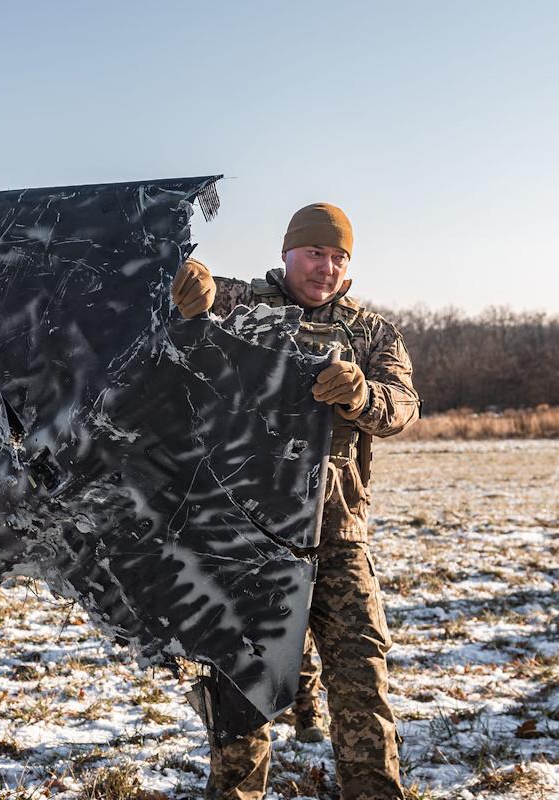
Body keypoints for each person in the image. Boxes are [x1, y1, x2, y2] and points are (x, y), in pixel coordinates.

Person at [171, 203, 419, 800]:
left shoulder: (371, 333)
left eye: (338, 257)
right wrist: (186, 286)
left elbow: (403, 407)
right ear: (287, 254)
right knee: (241, 686)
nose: (326, 267)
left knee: (361, 675)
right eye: (314, 253)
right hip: (248, 534)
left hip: (337, 534)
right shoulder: (241, 306)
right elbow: (174, 303)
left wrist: (362, 395)